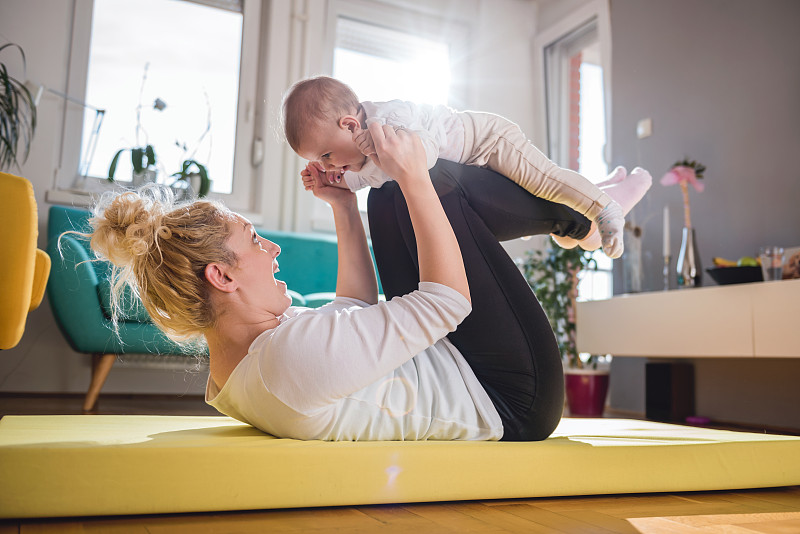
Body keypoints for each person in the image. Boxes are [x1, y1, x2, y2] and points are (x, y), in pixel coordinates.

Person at [88, 122, 592, 442]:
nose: (273, 250)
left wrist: (345, 206)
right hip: (506, 395)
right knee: (427, 182)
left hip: (458, 361)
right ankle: (584, 215)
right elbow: (446, 303)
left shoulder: (242, 362)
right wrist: (416, 174)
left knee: (384, 195)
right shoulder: (288, 361)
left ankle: (574, 210)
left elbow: (351, 307)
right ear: (221, 275)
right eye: (255, 241)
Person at [282, 75, 651, 259]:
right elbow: (370, 179)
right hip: (472, 167)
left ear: (349, 125)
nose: (327, 164)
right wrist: (335, 183)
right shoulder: (362, 154)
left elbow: (422, 158)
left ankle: (606, 205)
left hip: (488, 141)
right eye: (318, 161)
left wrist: (378, 147)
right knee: (548, 219)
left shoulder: (390, 117)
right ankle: (599, 196)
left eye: (326, 155)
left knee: (544, 182)